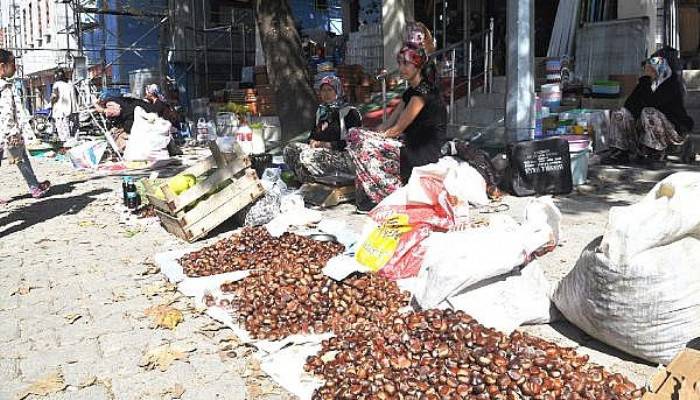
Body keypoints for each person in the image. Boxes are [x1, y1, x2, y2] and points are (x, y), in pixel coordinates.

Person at [347, 41, 446, 209]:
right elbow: (388, 124)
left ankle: (384, 193)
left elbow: (397, 129)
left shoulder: (423, 92)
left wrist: (370, 138)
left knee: (359, 139)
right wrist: (371, 134)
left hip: (421, 150)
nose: (401, 68)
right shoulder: (410, 93)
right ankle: (373, 192)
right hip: (408, 144)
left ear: (418, 65)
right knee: (356, 136)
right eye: (400, 63)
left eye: (406, 63)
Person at [604, 54, 694, 166]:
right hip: (645, 126)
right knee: (620, 113)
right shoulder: (645, 83)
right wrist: (643, 85)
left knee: (649, 112)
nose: (646, 71)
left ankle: (655, 154)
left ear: (659, 69)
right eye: (646, 69)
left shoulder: (671, 84)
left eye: (650, 69)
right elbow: (629, 104)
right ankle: (620, 151)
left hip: (671, 129)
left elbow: (653, 103)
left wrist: (645, 84)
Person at [283, 75, 361, 183]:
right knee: (290, 150)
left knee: (307, 156)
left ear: (338, 90)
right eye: (323, 90)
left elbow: (355, 143)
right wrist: (313, 142)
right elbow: (312, 136)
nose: (326, 94)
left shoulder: (350, 112)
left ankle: (312, 185)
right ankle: (304, 184)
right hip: (321, 152)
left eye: (330, 90)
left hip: (344, 157)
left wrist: (326, 145)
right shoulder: (322, 112)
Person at [0, 49, 50, 201]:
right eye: (12, 63)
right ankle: (34, 187)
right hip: (7, 133)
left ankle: (34, 184)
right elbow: (7, 112)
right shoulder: (4, 87)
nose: (15, 67)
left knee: (22, 158)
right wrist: (12, 132)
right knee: (21, 159)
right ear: (2, 66)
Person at [143, 84, 182, 156]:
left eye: (147, 92)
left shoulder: (158, 103)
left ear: (151, 93)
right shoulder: (158, 102)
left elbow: (154, 116)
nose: (146, 94)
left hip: (168, 126)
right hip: (166, 125)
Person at [50, 69, 79, 142]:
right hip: (73, 110)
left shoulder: (57, 84)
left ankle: (65, 144)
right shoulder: (70, 84)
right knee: (73, 129)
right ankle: (73, 141)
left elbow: (54, 96)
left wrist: (51, 103)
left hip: (61, 111)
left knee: (62, 129)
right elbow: (77, 94)